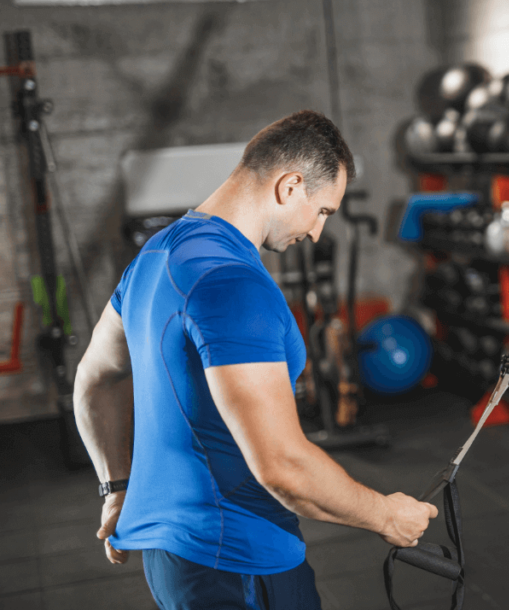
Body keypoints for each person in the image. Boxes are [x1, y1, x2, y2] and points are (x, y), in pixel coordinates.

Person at [72, 110, 437, 609]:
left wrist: (117, 488)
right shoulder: (232, 283)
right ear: (290, 187)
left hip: (174, 558)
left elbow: (95, 378)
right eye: (324, 212)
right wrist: (385, 515)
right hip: (235, 561)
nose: (316, 233)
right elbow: (282, 466)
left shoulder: (156, 255)